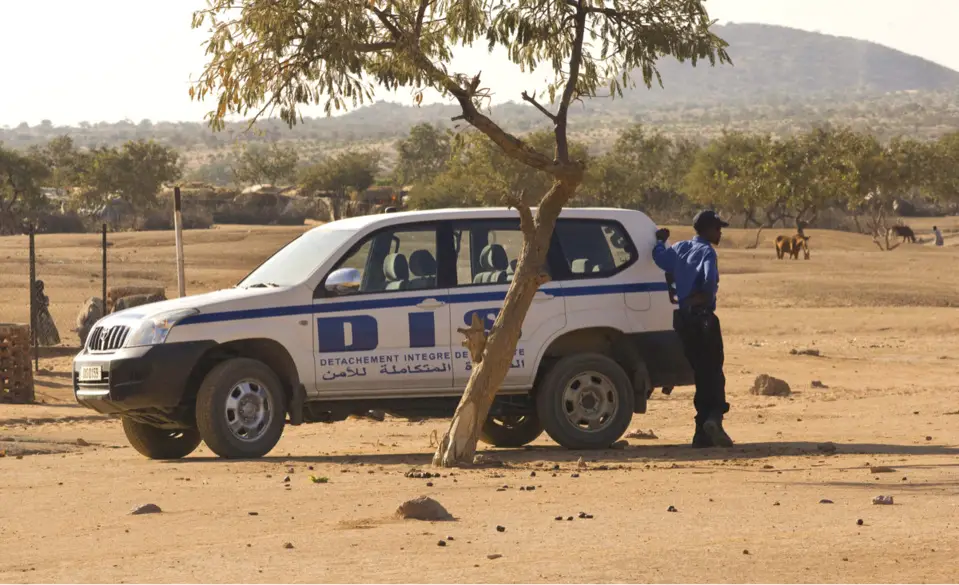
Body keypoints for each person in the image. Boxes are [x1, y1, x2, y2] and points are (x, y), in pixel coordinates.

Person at [652, 210, 733, 448]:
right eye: (717, 228)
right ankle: (713, 419)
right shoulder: (707, 251)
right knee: (714, 373)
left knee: (700, 372)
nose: (720, 232)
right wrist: (704, 297)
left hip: (683, 319)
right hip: (703, 318)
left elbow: (659, 258)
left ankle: (701, 434)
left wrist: (659, 240)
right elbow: (709, 281)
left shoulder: (679, 248)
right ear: (707, 229)